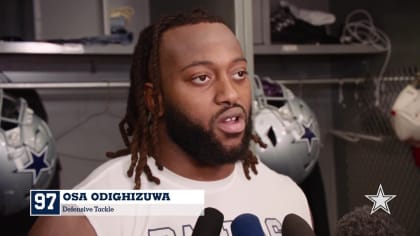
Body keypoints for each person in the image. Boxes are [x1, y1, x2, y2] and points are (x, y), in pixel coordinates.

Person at [29, 9, 312, 236]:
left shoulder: (287, 195)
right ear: (155, 99)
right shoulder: (88, 211)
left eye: (239, 73)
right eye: (202, 77)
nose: (229, 93)